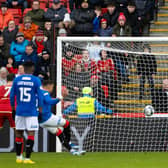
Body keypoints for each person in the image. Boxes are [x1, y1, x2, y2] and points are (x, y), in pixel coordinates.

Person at [39, 80, 85, 155]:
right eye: (52, 87)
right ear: (49, 86)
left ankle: (72, 151)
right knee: (66, 123)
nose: (52, 89)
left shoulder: (37, 93)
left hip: (40, 121)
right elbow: (50, 102)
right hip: (47, 118)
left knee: (59, 132)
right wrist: (58, 99)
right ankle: (69, 142)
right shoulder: (45, 93)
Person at [10, 61, 43, 164]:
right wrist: (40, 109)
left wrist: (13, 108)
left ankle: (19, 157)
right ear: (32, 69)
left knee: (18, 133)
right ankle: (27, 158)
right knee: (31, 133)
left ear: (23, 69)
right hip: (31, 111)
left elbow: (11, 96)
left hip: (19, 110)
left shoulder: (17, 79)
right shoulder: (36, 80)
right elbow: (40, 96)